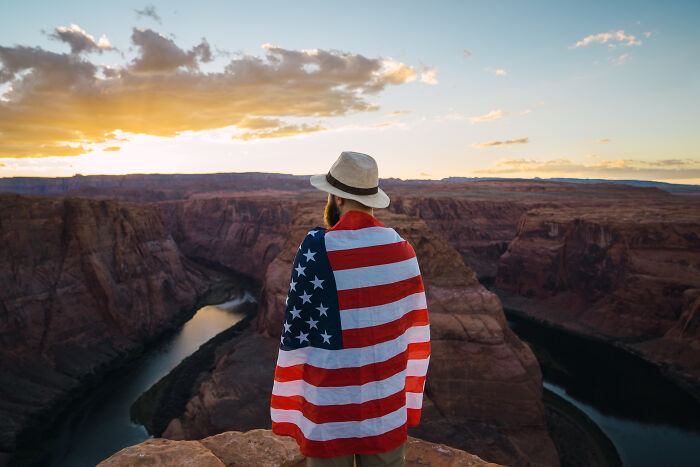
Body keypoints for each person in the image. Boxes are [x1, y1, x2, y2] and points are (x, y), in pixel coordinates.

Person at [270, 151, 431, 467]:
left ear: (338, 199)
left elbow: (299, 329)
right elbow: (414, 327)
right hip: (385, 406)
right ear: (372, 199)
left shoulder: (316, 249)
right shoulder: (402, 250)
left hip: (331, 406)